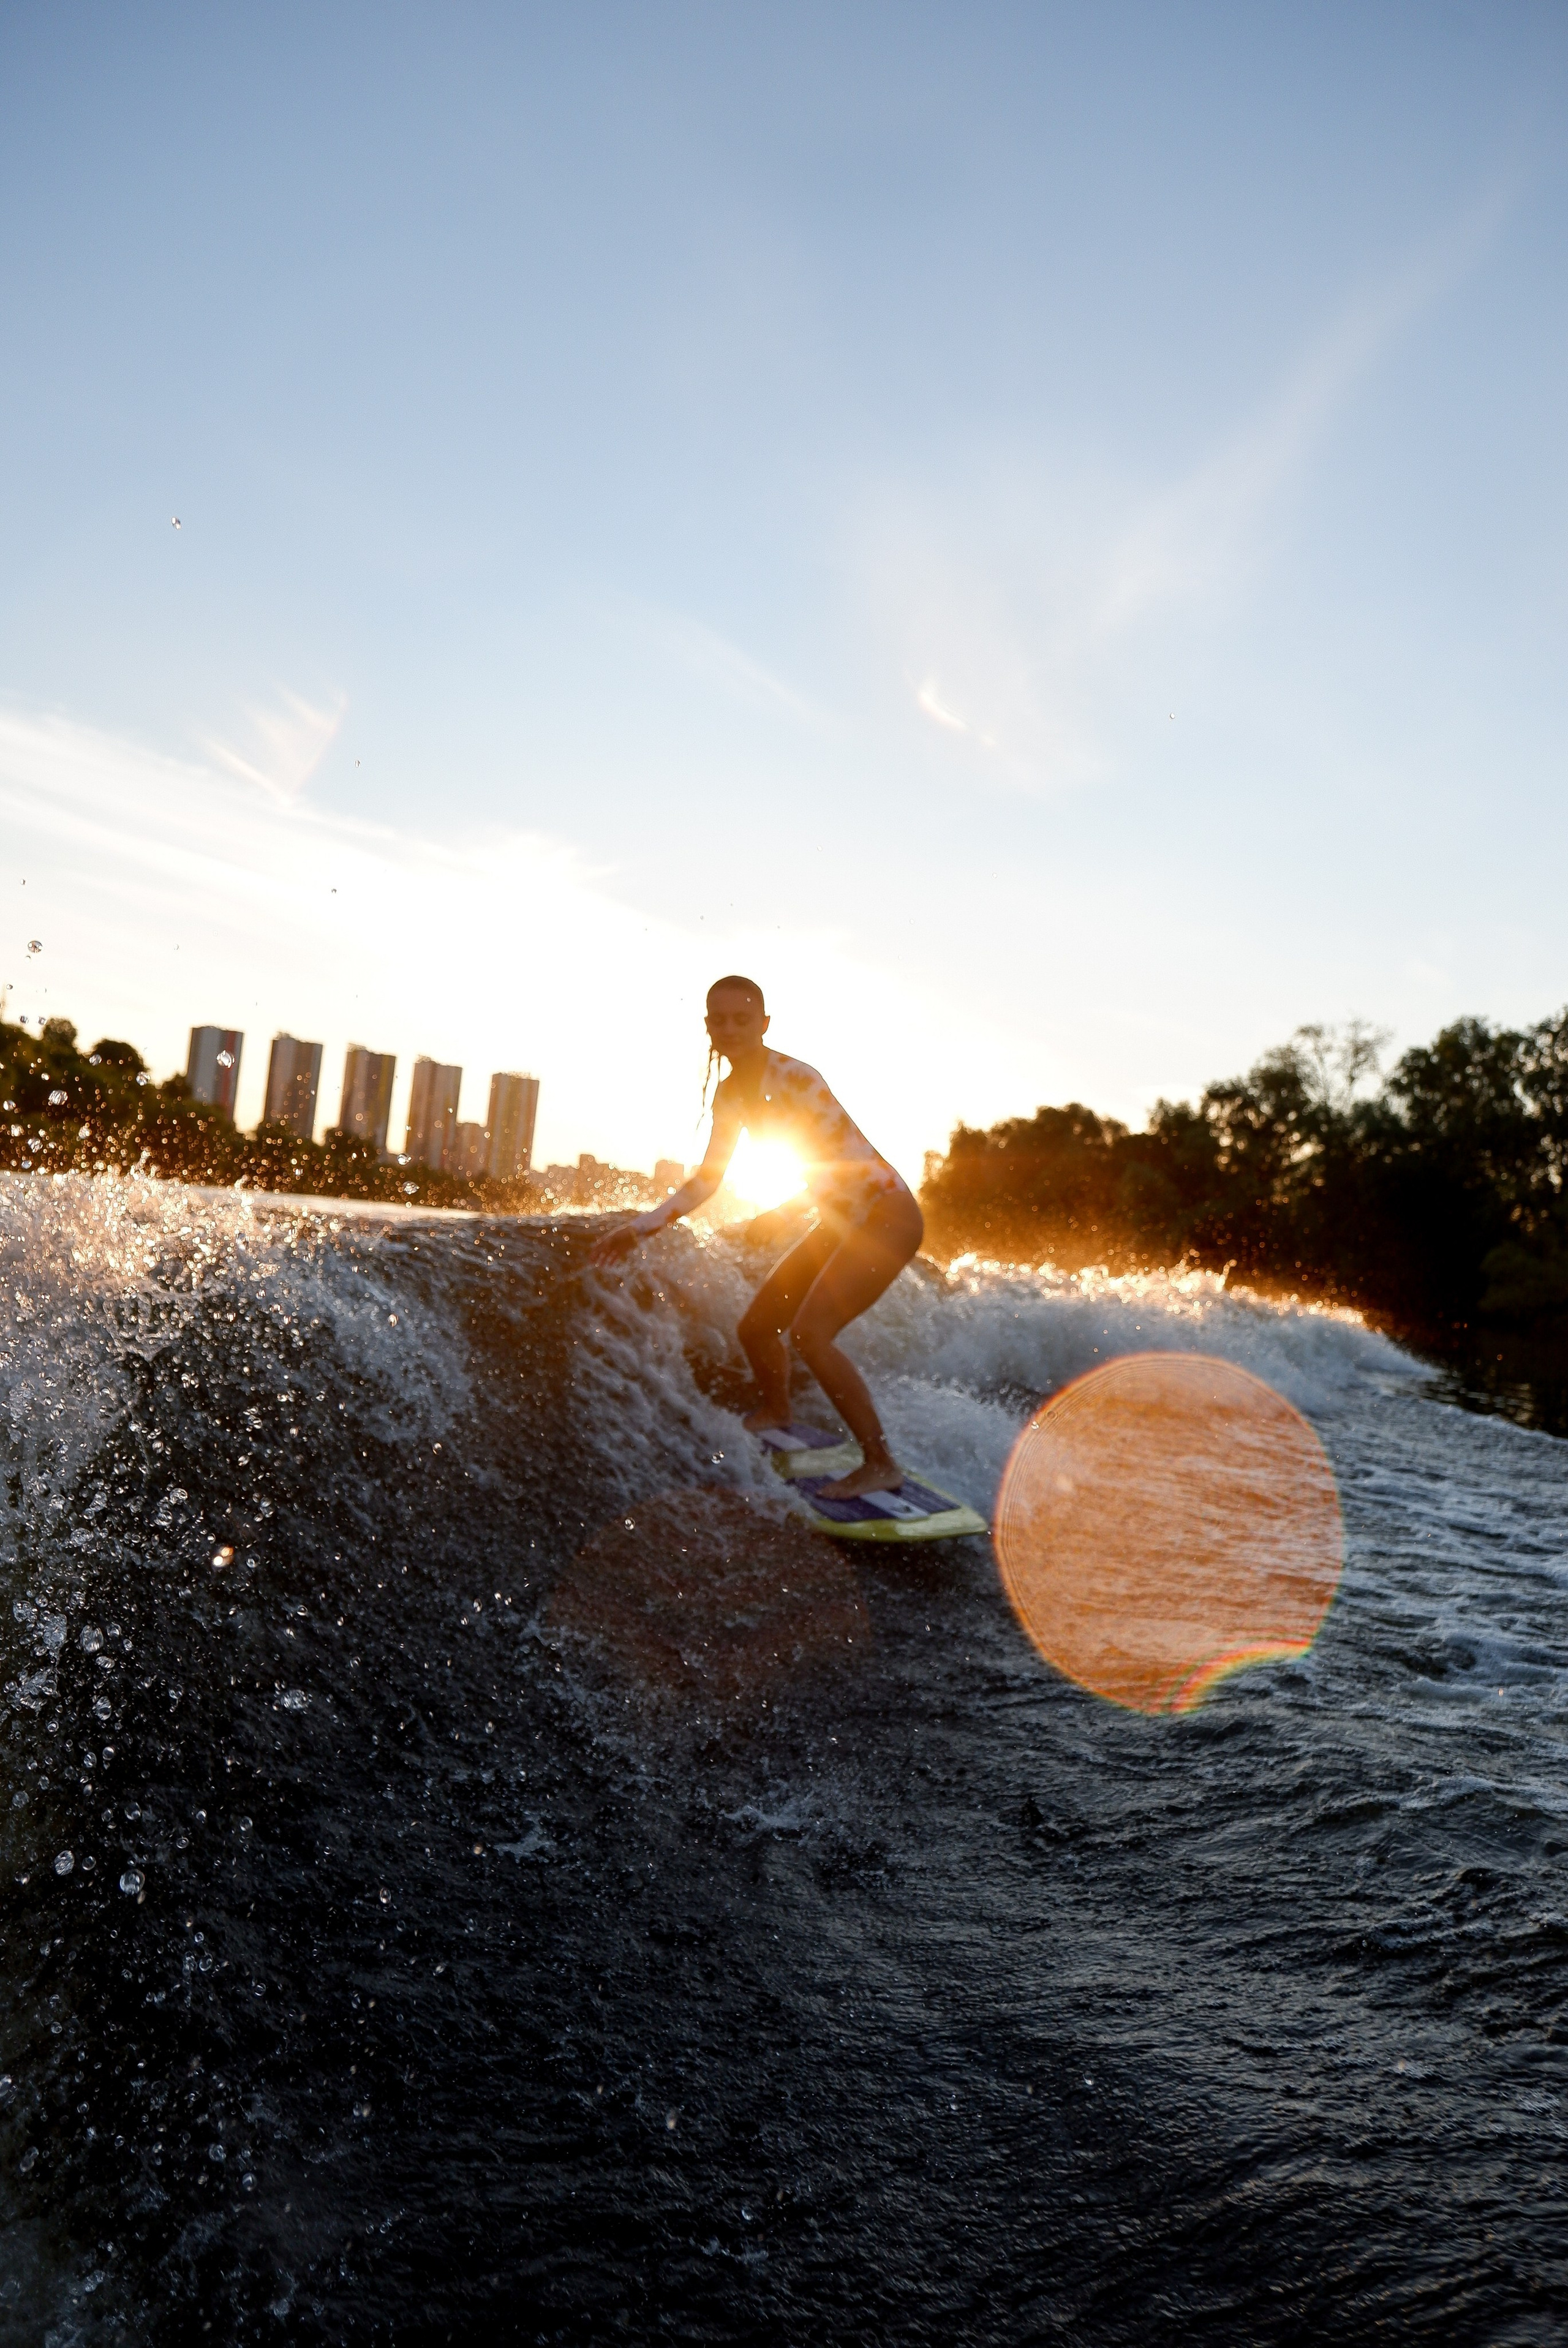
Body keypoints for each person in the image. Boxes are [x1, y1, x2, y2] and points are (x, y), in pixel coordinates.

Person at [589, 976, 922, 1499]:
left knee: (811, 1334)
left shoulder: (798, 1078)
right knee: (757, 1328)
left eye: (742, 1019)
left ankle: (881, 1462)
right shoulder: (730, 1096)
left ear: (764, 1024)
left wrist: (784, 1211)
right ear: (707, 1026)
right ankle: (777, 1410)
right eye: (719, 1020)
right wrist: (639, 1229)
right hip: (840, 1220)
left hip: (886, 1215)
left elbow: (838, 1164)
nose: (730, 1029)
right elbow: (708, 1181)